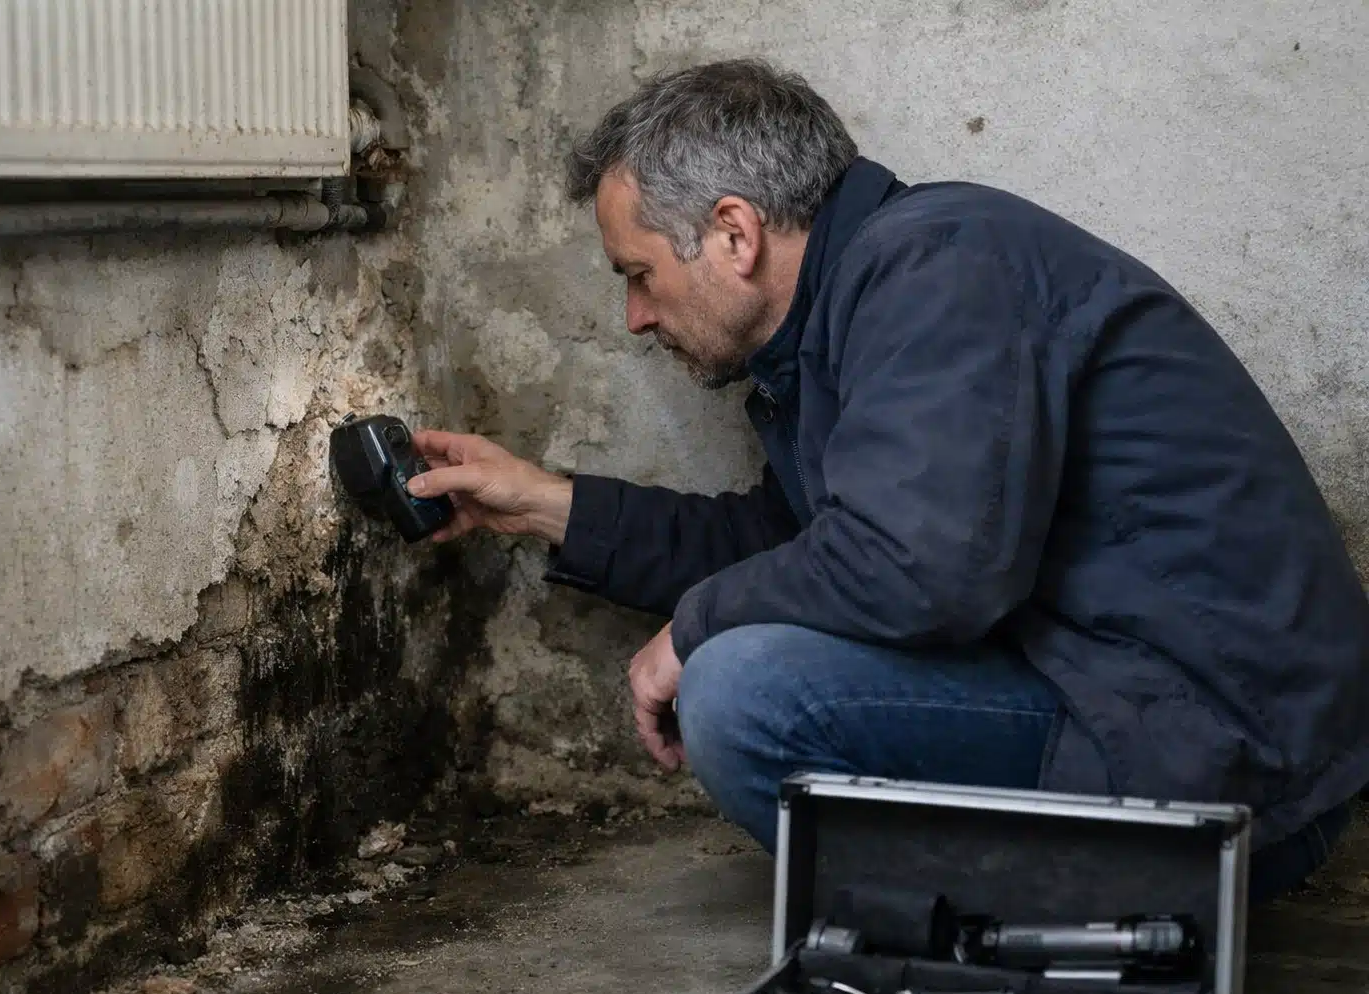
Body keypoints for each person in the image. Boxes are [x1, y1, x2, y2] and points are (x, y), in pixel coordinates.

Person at [406, 58, 1368, 901]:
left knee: (741, 693)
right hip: (1124, 703)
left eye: (639, 273)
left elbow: (923, 568)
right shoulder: (851, 313)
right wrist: (544, 504)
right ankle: (1011, 915)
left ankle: (990, 935)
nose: (634, 317)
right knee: (747, 664)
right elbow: (799, 552)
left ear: (734, 234)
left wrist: (696, 629)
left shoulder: (938, 266)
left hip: (1221, 753)